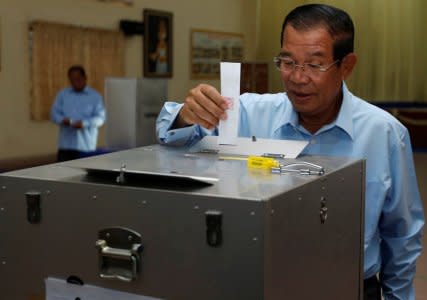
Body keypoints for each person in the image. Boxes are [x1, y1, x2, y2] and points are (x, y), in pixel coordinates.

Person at [156, 4, 424, 300]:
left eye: (314, 64)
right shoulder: (247, 113)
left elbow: (402, 234)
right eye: (287, 61)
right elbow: (172, 138)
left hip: (347, 286)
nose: (297, 78)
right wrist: (186, 114)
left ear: (346, 66)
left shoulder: (384, 133)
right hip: (260, 285)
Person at [51, 65, 106, 162]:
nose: (75, 82)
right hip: (66, 145)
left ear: (85, 78)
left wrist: (84, 123)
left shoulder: (95, 96)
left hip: (86, 146)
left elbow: (100, 118)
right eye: (72, 80)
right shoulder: (63, 94)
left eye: (77, 79)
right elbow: (54, 113)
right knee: (63, 173)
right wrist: (62, 120)